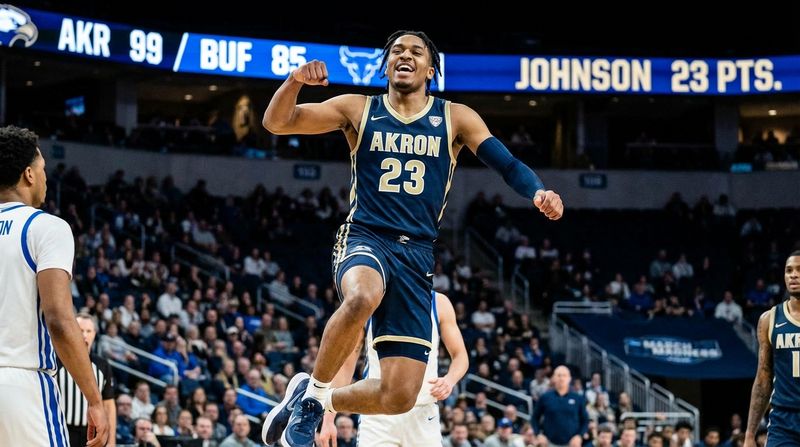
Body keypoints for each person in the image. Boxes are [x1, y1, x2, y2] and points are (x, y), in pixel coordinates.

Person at [261, 30, 563, 447]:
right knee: (363, 296)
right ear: (386, 65)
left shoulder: (456, 117)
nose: (405, 55)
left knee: (399, 395)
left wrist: (538, 191)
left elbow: (508, 164)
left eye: (416, 52)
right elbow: (277, 122)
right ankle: (314, 395)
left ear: (431, 69)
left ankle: (315, 398)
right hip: (366, 235)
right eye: (397, 51)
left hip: (417, 253)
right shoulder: (358, 108)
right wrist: (294, 81)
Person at [0, 125, 109, 446]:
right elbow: (59, 320)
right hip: (21, 385)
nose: (46, 178)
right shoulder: (45, 227)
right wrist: (95, 399)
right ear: (29, 174)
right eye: (43, 169)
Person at [318, 292, 468, 446]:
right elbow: (345, 366)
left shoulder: (438, 303)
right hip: (377, 413)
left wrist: (450, 380)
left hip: (423, 411)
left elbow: (460, 355)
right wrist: (328, 420)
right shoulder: (369, 301)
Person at [745, 251, 800, 447]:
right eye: (789, 270)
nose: (793, 275)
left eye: (799, 270)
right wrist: (750, 434)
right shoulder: (770, 319)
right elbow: (763, 378)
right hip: (783, 422)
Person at [56, 313, 117, 446]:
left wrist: (111, 441)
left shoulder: (102, 365)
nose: (84, 335)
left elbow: (109, 405)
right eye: (80, 330)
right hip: (61, 429)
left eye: (88, 331)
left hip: (91, 433)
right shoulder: (57, 360)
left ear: (94, 334)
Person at [530, 366, 588, 447]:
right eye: (559, 375)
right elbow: (534, 418)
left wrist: (579, 436)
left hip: (571, 444)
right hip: (549, 443)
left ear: (569, 378)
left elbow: (585, 420)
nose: (561, 378)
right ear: (554, 378)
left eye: (564, 375)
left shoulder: (578, 398)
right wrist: (538, 434)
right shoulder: (545, 397)